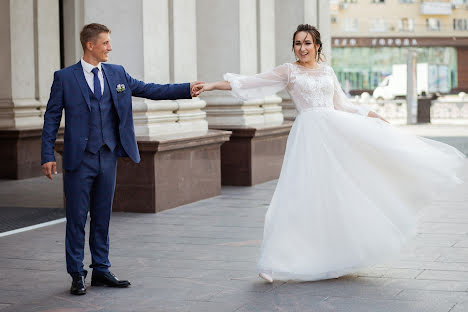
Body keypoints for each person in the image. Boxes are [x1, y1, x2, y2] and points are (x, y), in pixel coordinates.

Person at [194, 24, 466, 282]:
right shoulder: (289, 71)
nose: (302, 48)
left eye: (307, 43)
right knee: (297, 196)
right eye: (298, 43)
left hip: (335, 134)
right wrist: (212, 86)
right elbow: (251, 83)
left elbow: (342, 104)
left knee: (338, 195)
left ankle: (336, 257)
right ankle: (273, 262)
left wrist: (373, 115)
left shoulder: (327, 71)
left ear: (317, 45)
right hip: (308, 138)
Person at [41, 23, 202, 295]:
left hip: (108, 156)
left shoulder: (117, 73)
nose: (110, 48)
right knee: (77, 218)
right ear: (90, 45)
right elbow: (51, 118)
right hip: (78, 160)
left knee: (103, 216)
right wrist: (47, 155)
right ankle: (77, 273)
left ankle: (101, 269)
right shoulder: (65, 77)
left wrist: (186, 89)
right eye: (105, 43)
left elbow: (150, 89)